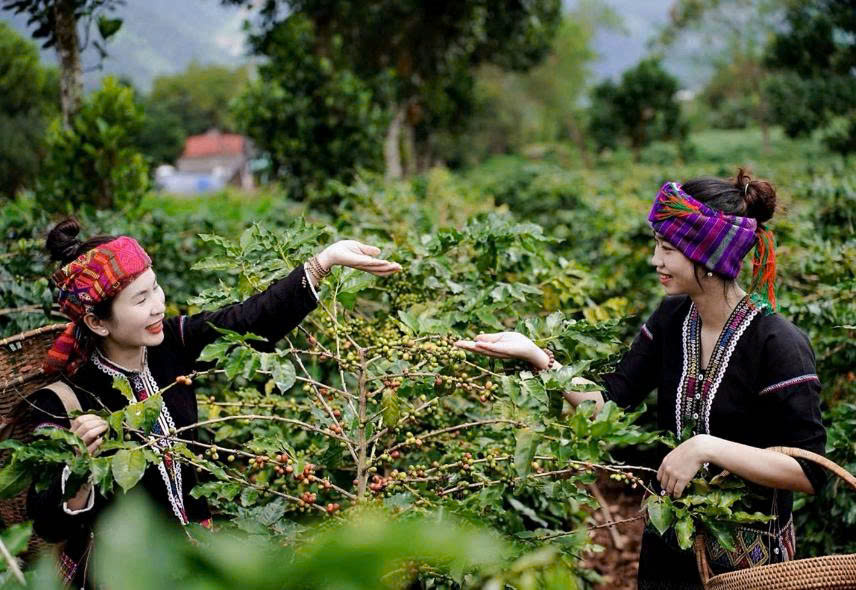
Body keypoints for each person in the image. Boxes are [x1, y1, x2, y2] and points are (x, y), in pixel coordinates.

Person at [456, 170, 827, 589]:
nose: (656, 260)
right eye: (657, 245)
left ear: (705, 255)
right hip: (669, 544)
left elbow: (808, 471)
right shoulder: (672, 320)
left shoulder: (778, 342)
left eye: (668, 248)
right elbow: (608, 400)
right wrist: (537, 356)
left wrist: (708, 447)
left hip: (749, 564)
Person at [27, 218, 400, 587]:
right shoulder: (63, 402)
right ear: (96, 322)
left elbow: (249, 322)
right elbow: (47, 522)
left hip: (197, 561)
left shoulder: (172, 344)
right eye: (140, 299)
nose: (158, 306)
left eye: (155, 289)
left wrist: (323, 262)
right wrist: (77, 473)